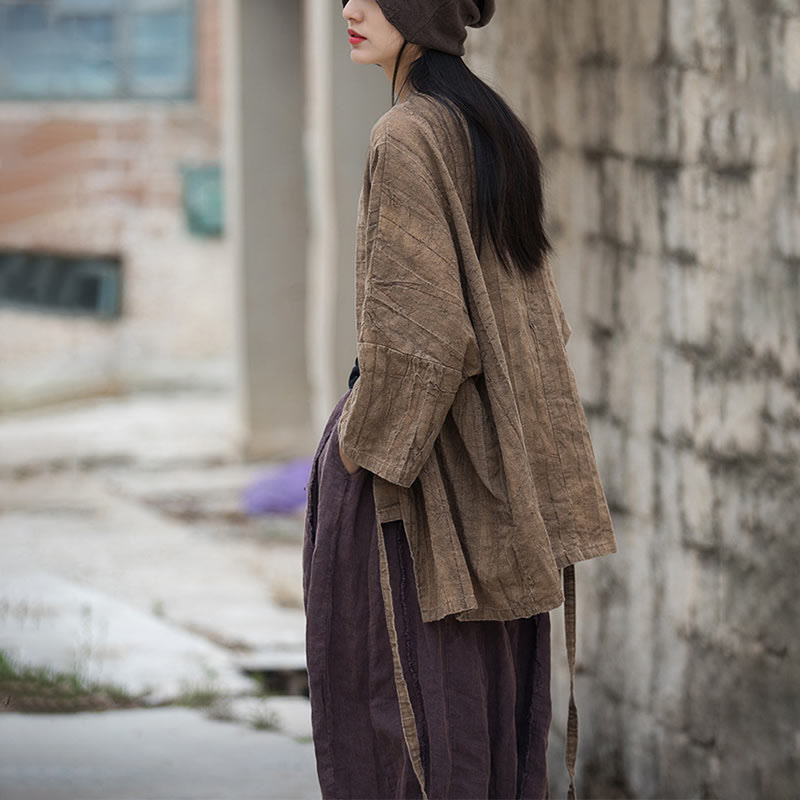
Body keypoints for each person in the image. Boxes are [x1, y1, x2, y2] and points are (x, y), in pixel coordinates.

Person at [303, 2, 618, 798]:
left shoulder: (406, 133)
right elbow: (541, 321)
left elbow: (422, 341)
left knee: (406, 722)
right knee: (483, 717)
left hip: (420, 494)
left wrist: (360, 453)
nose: (349, 7)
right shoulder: (489, 125)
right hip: (497, 491)